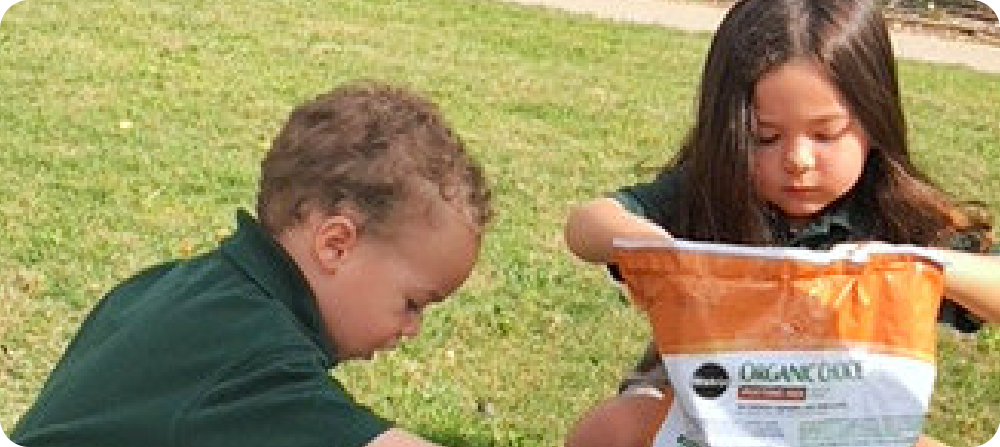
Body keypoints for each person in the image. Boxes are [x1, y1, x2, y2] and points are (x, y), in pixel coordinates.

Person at [561, 1, 1000, 446]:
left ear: (874, 119)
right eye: (764, 136)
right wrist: (655, 246)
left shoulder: (895, 216)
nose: (798, 161)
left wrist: (921, 266)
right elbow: (586, 225)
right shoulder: (712, 190)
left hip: (845, 413)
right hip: (704, 398)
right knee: (610, 430)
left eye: (826, 134)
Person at [12, 81, 491, 447]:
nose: (412, 330)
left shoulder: (172, 289)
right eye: (413, 303)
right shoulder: (251, 361)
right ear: (336, 245)